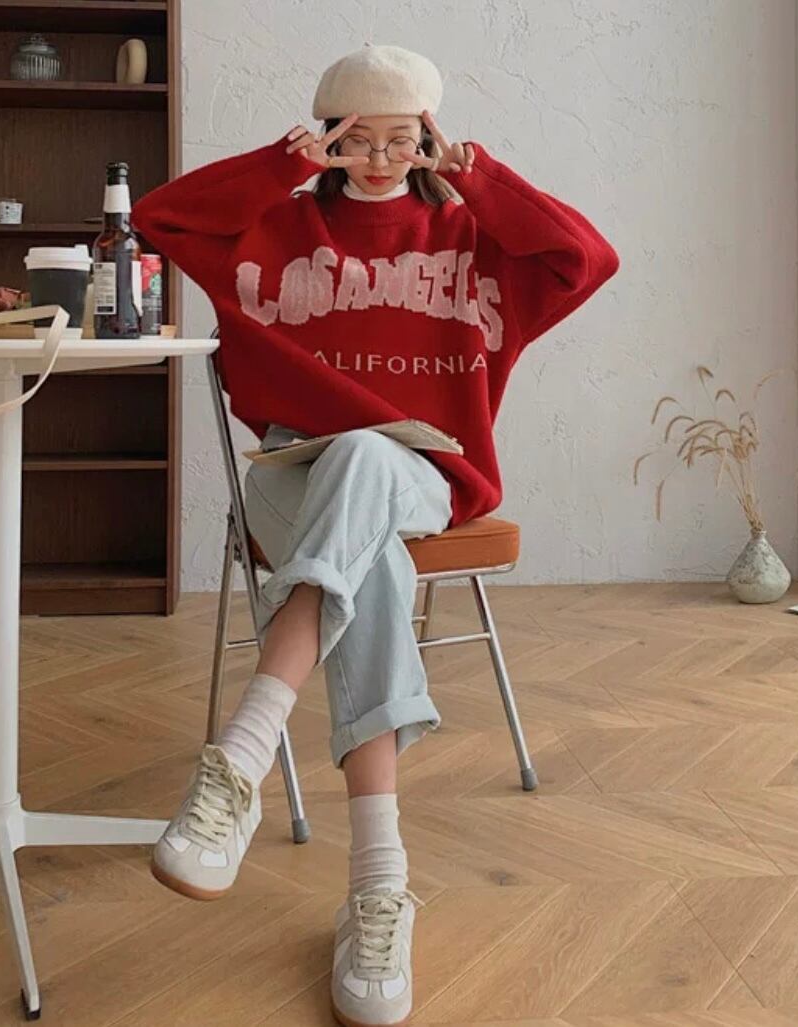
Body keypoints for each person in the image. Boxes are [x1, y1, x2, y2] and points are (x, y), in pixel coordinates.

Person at [131, 42, 620, 1027]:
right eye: (359, 138)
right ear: (325, 137)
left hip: (422, 474)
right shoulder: (273, 225)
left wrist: (480, 176)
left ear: (434, 140)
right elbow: (158, 218)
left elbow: (588, 258)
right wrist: (281, 167)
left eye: (406, 139)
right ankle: (376, 886)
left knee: (366, 455)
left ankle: (241, 758)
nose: (383, 157)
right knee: (375, 566)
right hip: (290, 476)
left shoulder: (471, 235)